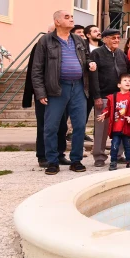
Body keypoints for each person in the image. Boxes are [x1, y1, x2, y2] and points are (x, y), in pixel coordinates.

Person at [31, 11, 96, 175]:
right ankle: (52, 162)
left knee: (80, 125)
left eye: (72, 17)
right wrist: (40, 92)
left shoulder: (79, 40)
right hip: (56, 89)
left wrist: (90, 63)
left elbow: (86, 57)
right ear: (57, 21)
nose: (71, 19)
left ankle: (76, 160)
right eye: (67, 17)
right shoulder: (45, 41)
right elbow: (37, 69)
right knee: (51, 127)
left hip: (79, 88)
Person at [23, 24, 69, 168]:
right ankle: (42, 156)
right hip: (44, 93)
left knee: (62, 126)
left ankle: (59, 153)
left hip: (61, 92)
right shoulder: (39, 47)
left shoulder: (62, 46)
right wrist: (39, 93)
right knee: (45, 126)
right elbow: (34, 72)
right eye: (49, 32)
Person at [90, 28, 130, 168]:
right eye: (113, 38)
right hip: (103, 97)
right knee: (101, 129)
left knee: (120, 126)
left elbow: (127, 72)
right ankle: (99, 156)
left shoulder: (121, 54)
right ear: (104, 39)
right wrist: (97, 96)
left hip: (120, 97)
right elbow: (93, 77)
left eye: (118, 38)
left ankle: (118, 155)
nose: (117, 40)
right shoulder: (96, 54)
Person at [96, 73, 130, 171]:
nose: (128, 82)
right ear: (119, 85)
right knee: (114, 145)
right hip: (116, 126)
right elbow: (109, 109)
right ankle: (113, 162)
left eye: (129, 81)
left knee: (127, 145)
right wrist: (104, 114)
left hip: (126, 127)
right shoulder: (113, 97)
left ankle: (129, 161)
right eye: (125, 80)